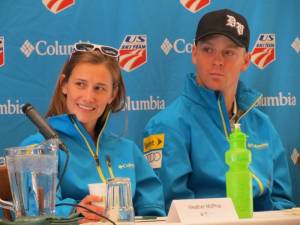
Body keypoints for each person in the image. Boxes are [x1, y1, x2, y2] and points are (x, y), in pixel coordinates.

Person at [143, 9, 295, 213]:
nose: (217, 61)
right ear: (194, 53)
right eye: (208, 50)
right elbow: (173, 210)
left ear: (246, 61)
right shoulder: (166, 125)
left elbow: (283, 203)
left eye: (229, 52)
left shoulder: (262, 124)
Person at [21, 42, 165, 223]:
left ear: (112, 94)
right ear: (64, 85)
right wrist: (76, 210)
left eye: (99, 88)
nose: (89, 97)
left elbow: (153, 211)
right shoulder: (37, 148)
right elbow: (39, 212)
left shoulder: (127, 150)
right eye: (80, 84)